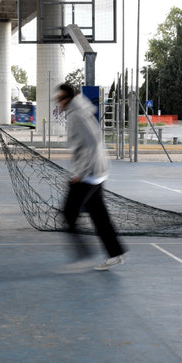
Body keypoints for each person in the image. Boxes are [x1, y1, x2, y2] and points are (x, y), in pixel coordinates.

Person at [56, 82, 126, 270]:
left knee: (69, 213)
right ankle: (115, 253)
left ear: (69, 99)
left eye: (61, 98)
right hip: (97, 171)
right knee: (99, 215)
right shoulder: (81, 110)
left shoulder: (76, 115)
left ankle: (84, 255)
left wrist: (81, 172)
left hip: (89, 173)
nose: (59, 102)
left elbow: (93, 144)